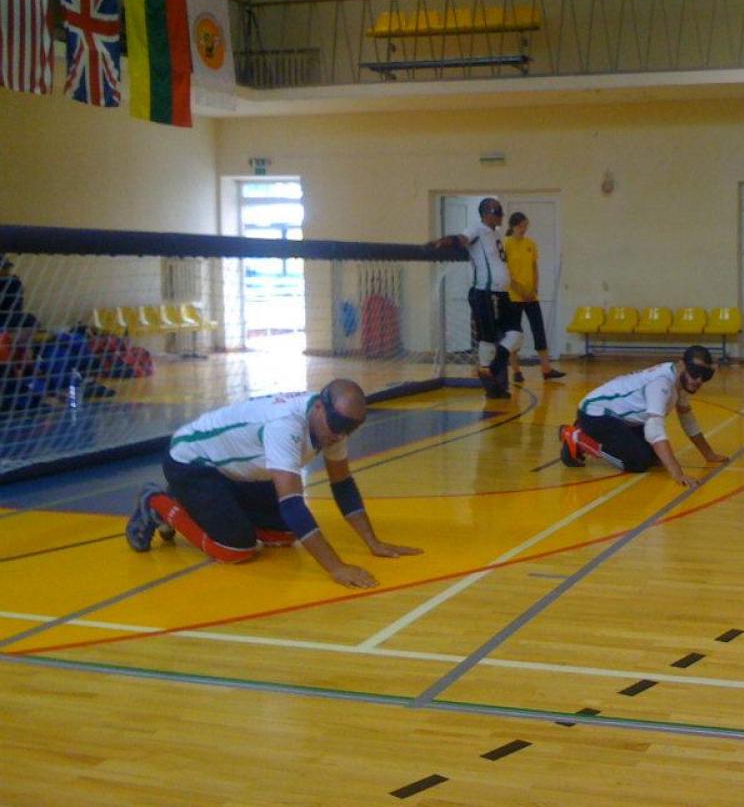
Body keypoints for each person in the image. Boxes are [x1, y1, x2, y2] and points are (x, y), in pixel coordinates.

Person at [124, 379, 422, 588]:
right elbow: (292, 504)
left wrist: (374, 543)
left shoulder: (331, 426)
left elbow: (342, 483)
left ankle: (213, 509)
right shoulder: (285, 425)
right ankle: (158, 504)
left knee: (283, 535)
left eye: (351, 429)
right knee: (235, 549)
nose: (341, 434)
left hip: (240, 470)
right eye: (339, 426)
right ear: (319, 407)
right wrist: (336, 567)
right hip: (193, 463)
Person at [558, 345, 728, 489]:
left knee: (654, 458)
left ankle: (588, 433)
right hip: (596, 414)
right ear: (682, 365)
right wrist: (678, 474)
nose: (698, 380)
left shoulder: (678, 380)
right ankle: (579, 437)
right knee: (638, 463)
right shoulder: (662, 383)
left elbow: (686, 418)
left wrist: (709, 454)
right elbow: (654, 430)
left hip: (623, 419)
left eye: (705, 376)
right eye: (695, 373)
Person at [429, 197, 522, 399]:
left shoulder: (496, 234)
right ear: (486, 213)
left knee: (516, 334)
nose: (501, 215)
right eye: (497, 211)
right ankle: (490, 380)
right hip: (485, 292)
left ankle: (491, 369)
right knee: (487, 337)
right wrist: (443, 241)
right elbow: (462, 239)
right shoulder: (476, 229)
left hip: (502, 292)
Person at [504, 211, 566, 384]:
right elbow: (505, 273)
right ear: (513, 226)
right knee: (514, 334)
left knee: (538, 330)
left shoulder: (530, 244)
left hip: (531, 297)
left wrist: (534, 289)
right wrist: (520, 290)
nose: (524, 229)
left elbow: (534, 268)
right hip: (513, 296)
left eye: (526, 226)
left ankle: (546, 369)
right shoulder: (506, 245)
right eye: (521, 226)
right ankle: (515, 369)